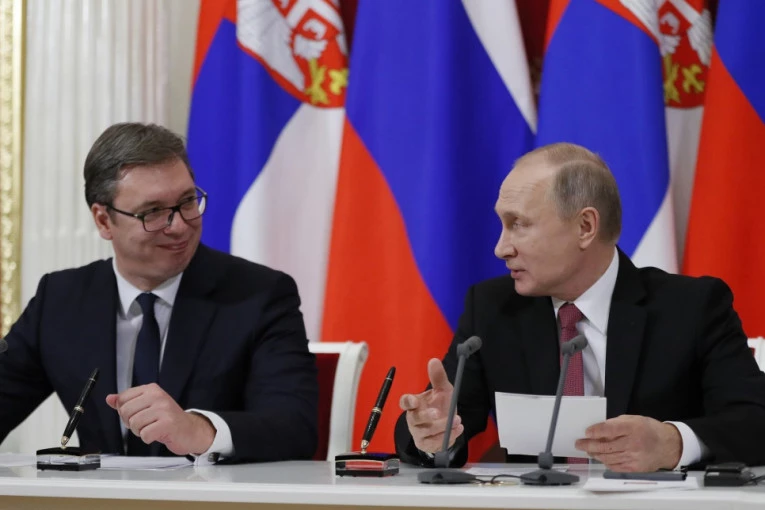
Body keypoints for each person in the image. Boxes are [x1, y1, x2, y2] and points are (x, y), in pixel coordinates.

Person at [394, 142, 765, 472]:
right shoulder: (493, 309)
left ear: (585, 226)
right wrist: (430, 431)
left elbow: (755, 421)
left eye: (518, 224)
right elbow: (442, 422)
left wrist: (673, 442)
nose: (501, 248)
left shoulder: (691, 307)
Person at [0, 122, 318, 463]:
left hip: (212, 491)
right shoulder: (61, 299)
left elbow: (295, 427)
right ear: (104, 220)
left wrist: (199, 430)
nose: (179, 226)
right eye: (153, 212)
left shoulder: (259, 295)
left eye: (187, 202)